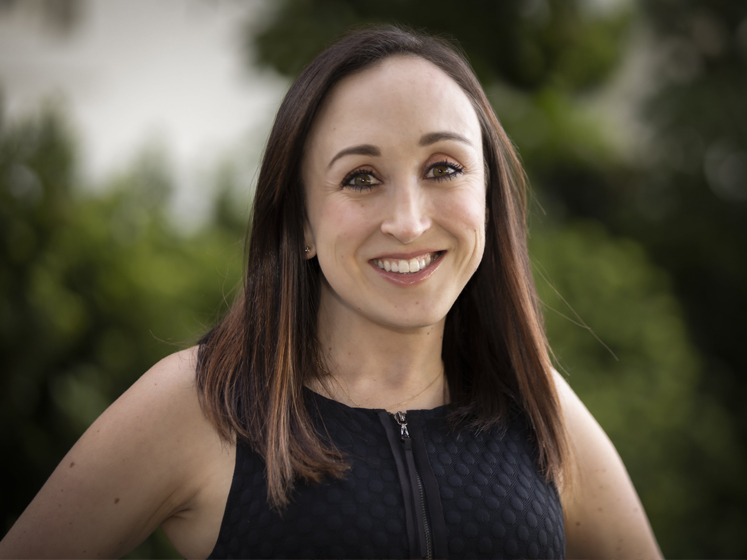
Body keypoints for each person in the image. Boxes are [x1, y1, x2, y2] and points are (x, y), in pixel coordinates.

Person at [0, 26, 663, 559]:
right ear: (301, 224)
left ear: (487, 198)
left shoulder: (538, 406)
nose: (407, 220)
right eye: (359, 178)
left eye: (443, 168)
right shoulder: (202, 404)